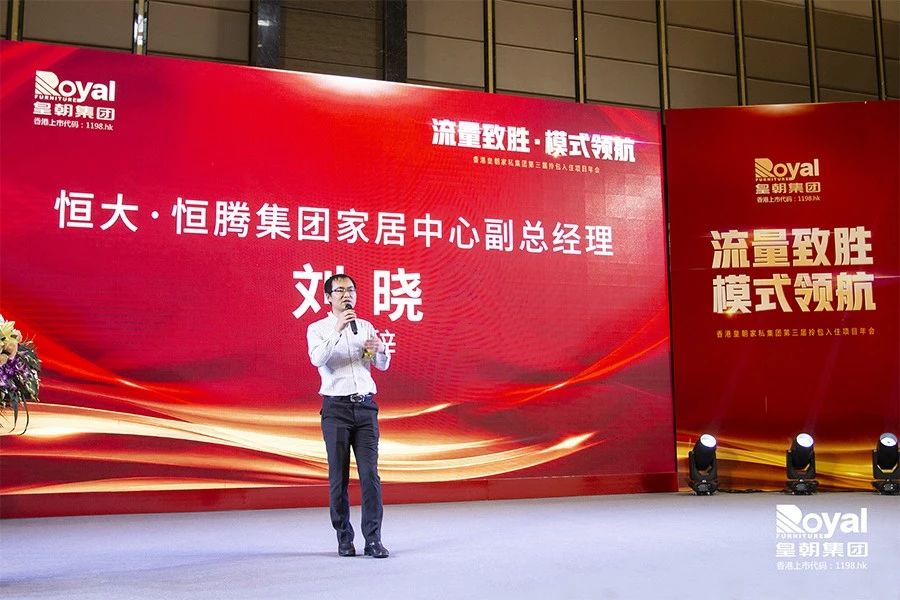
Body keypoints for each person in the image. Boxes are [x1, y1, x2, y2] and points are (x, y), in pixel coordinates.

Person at [306, 273, 391, 558]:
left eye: (351, 290)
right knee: (338, 477)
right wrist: (338, 328)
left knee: (370, 475)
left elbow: (376, 364)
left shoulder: (364, 326)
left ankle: (373, 539)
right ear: (327, 297)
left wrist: (378, 351)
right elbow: (318, 359)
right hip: (336, 410)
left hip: (365, 408)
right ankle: (344, 538)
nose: (347, 295)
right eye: (340, 290)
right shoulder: (317, 329)